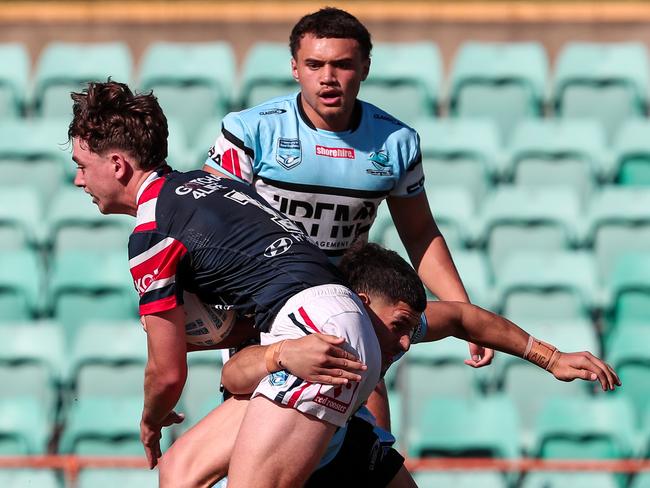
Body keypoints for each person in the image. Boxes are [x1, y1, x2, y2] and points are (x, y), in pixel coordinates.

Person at [68, 80, 387, 488]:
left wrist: (151, 420)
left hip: (312, 335)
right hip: (323, 325)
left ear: (117, 165)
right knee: (181, 471)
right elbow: (253, 304)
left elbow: (167, 373)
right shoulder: (218, 187)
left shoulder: (152, 232)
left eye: (82, 165)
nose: (79, 180)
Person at [203, 7, 493, 430]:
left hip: (345, 305)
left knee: (371, 441)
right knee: (262, 449)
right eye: (314, 64)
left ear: (365, 68)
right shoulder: (248, 131)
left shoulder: (395, 142)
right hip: (266, 309)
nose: (328, 77)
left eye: (342, 65)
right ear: (295, 68)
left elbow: (420, 233)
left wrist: (465, 315)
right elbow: (207, 225)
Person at [158, 242, 620, 487]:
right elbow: (232, 375)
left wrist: (551, 357)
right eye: (399, 326)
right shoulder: (305, 328)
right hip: (280, 444)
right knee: (183, 473)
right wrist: (281, 356)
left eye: (410, 329)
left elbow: (461, 316)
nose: (405, 341)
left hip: (346, 442)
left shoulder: (391, 321)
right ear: (358, 304)